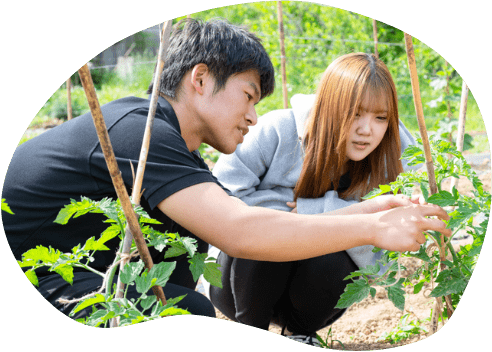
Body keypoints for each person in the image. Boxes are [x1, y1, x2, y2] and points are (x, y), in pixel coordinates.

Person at [2, 18, 450, 330]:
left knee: (183, 302)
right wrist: (371, 226)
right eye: (248, 96)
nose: (254, 116)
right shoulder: (138, 131)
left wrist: (370, 208)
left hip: (62, 278)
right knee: (186, 315)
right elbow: (240, 229)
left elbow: (233, 225)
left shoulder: (173, 150)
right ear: (200, 80)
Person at [206, 53, 425, 346]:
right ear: (329, 107)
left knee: (332, 252)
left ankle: (300, 335)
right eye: (355, 113)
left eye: (380, 117)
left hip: (315, 301)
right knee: (268, 233)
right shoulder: (277, 130)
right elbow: (218, 199)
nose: (366, 129)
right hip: (238, 286)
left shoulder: (396, 151)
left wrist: (313, 212)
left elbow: (393, 234)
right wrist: (295, 220)